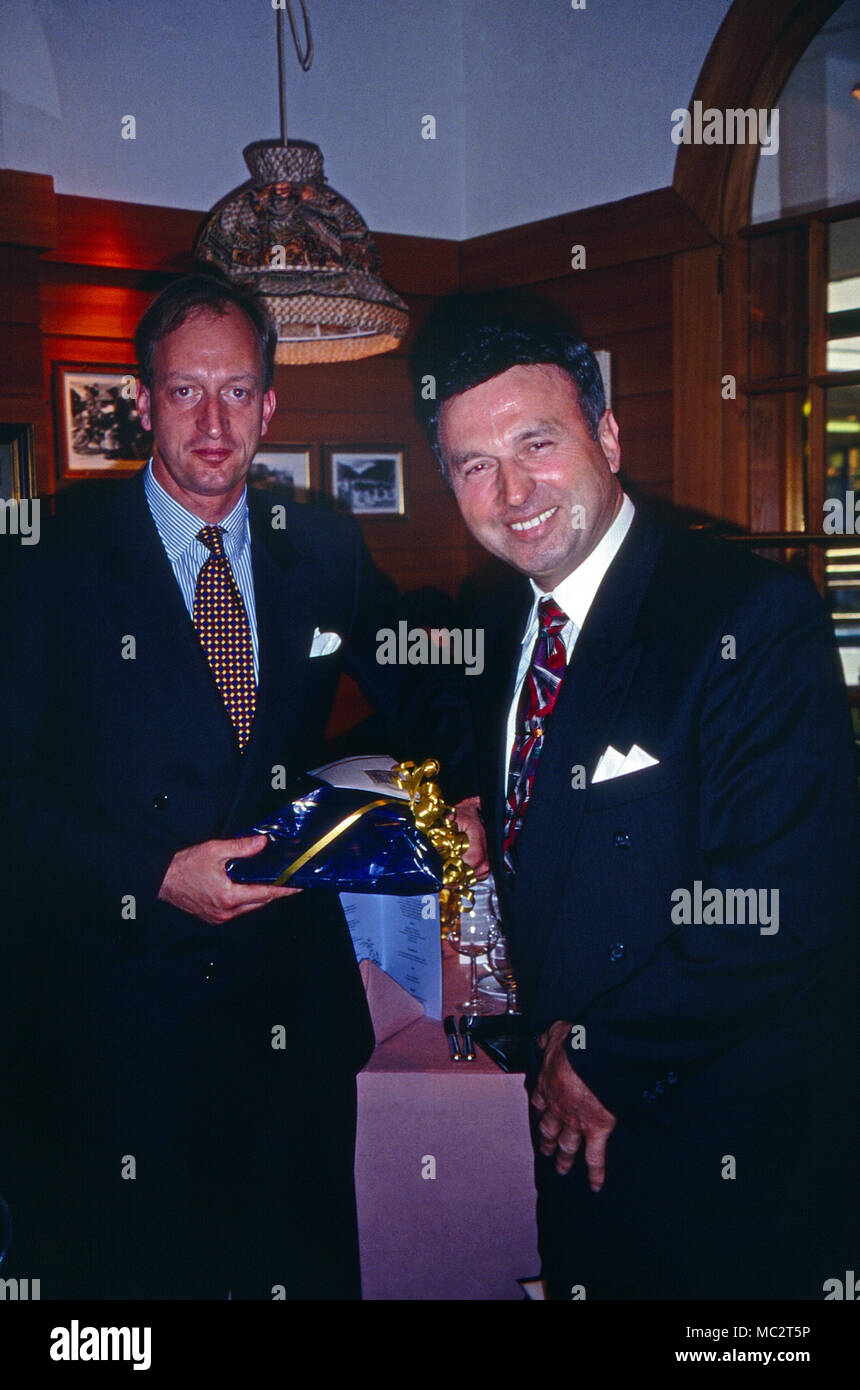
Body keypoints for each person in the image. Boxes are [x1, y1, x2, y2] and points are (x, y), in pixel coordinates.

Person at [0, 274, 485, 1300]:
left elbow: (421, 689)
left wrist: (462, 798)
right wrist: (151, 872)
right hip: (109, 1025)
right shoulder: (42, 557)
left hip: (285, 1023)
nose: (212, 423)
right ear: (143, 400)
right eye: (184, 393)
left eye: (236, 393)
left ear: (270, 404)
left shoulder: (319, 545)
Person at [411, 294, 859, 1300]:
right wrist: (480, 809)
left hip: (713, 1135)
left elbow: (783, 904)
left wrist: (600, 1059)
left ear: (605, 433)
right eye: (473, 464)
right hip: (566, 1116)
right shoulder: (497, 611)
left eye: (536, 442)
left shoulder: (749, 614)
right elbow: (506, 748)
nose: (511, 489)